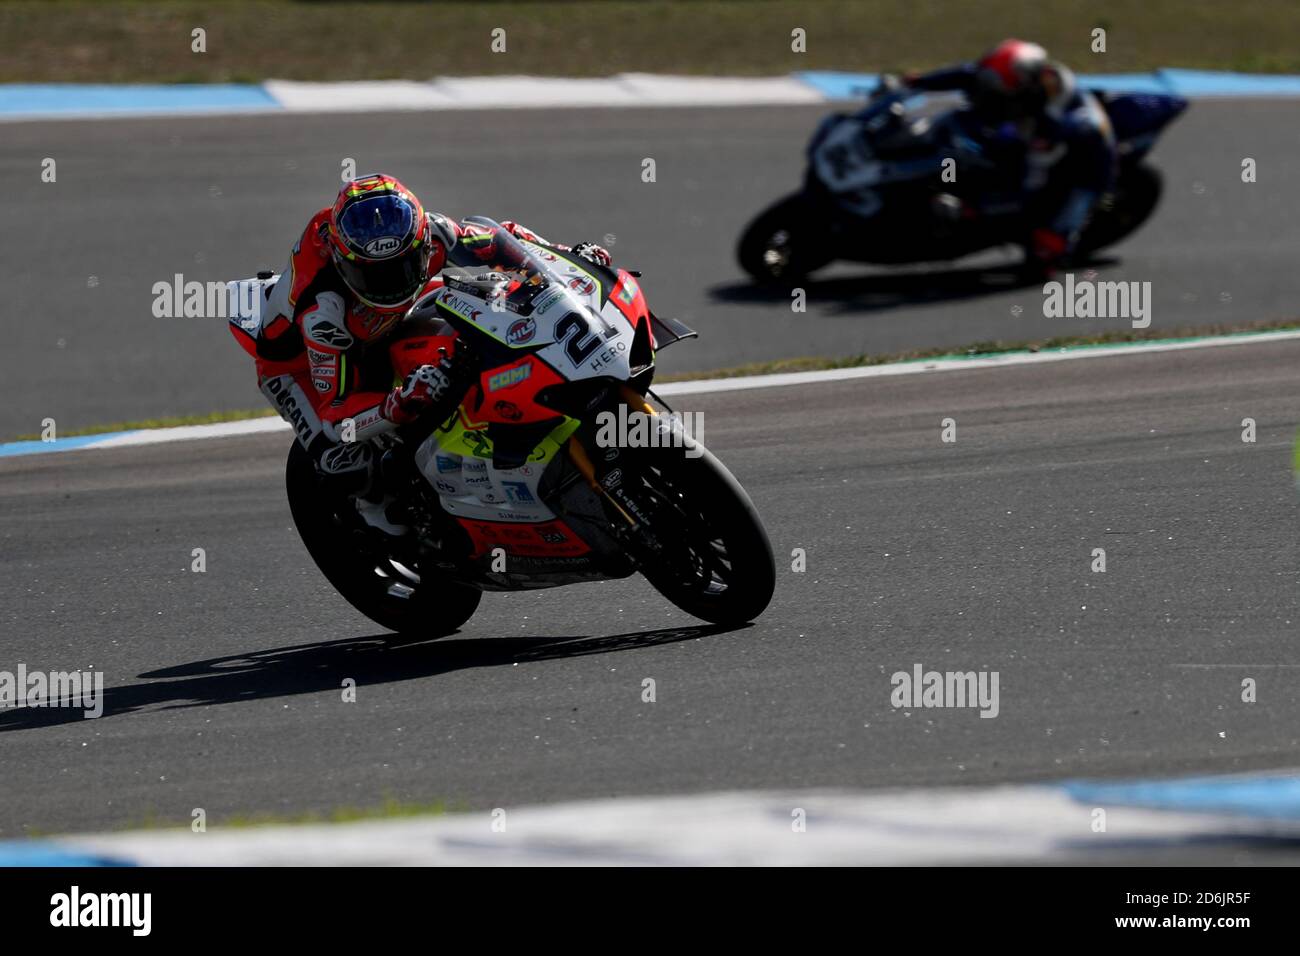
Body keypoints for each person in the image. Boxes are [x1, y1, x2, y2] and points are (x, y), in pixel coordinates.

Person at [236, 173, 610, 532]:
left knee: (488, 308)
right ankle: (377, 515)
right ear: (344, 264)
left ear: (421, 243)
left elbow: (503, 241)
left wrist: (567, 256)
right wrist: (395, 405)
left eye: (402, 267)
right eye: (376, 276)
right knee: (341, 459)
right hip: (298, 364)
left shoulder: (433, 233)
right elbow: (336, 413)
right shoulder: (322, 312)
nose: (392, 283)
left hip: (391, 323)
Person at [883, 39, 1117, 273]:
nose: (984, 90)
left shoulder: (1053, 128)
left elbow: (1030, 188)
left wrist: (971, 210)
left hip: (1086, 168)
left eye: (993, 88)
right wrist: (920, 82)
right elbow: (970, 74)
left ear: (1023, 90)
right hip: (1039, 138)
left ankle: (1054, 251)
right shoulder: (1033, 82)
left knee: (1046, 242)